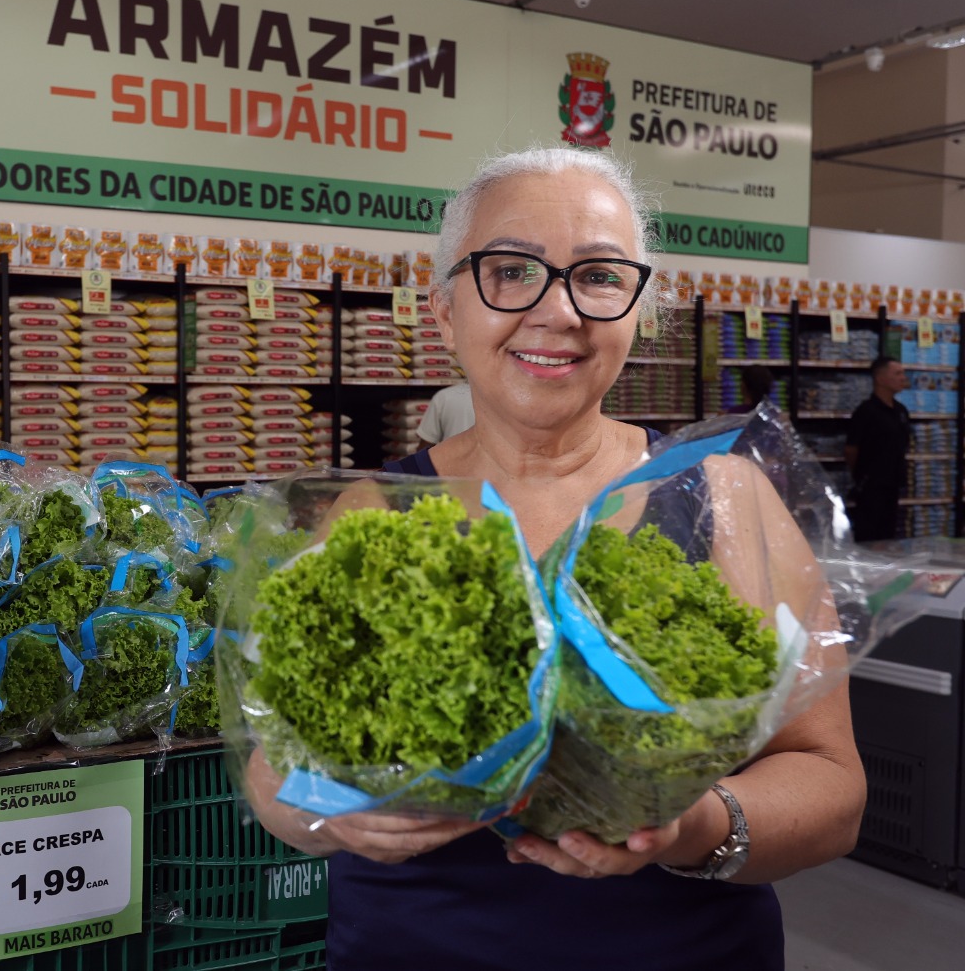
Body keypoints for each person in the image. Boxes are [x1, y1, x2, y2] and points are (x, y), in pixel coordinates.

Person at [243, 147, 865, 971]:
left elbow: (831, 786)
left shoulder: (722, 496)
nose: (559, 311)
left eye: (599, 277)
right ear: (444, 313)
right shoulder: (371, 514)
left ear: (639, 312)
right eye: (511, 271)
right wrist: (328, 816)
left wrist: (694, 826)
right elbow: (271, 769)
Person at [845, 357, 912, 542]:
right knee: (869, 537)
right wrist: (862, 476)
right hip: (871, 487)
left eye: (903, 373)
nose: (903, 378)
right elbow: (851, 449)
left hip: (894, 484)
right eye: (897, 373)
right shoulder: (866, 411)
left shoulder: (901, 411)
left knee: (888, 536)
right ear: (880, 379)